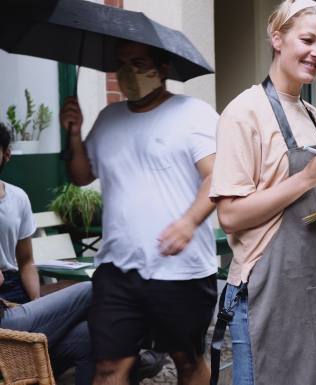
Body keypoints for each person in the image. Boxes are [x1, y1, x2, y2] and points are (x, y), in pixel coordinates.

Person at [210, 1, 316, 384]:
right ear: (277, 39)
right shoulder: (244, 112)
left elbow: (305, 197)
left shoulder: (313, 114)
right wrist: (306, 180)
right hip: (268, 289)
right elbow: (230, 215)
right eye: (307, 40)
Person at [59, 39, 218, 385]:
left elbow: (218, 177)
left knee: (187, 362)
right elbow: (82, 175)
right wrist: (73, 135)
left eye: (138, 62)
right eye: (122, 63)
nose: (128, 72)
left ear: (162, 71)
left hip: (181, 270)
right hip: (117, 268)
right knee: (108, 367)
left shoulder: (194, 114)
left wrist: (189, 222)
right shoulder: (108, 118)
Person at [0, 123, 40, 304]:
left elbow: (26, 261)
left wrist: (37, 303)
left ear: (6, 154)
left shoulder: (18, 197)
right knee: (84, 293)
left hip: (14, 287)